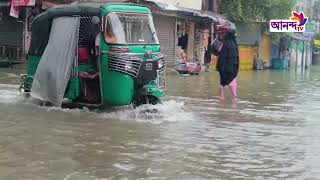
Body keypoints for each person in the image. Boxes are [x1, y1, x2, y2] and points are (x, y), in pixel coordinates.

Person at [216, 23, 239, 101]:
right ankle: (234, 98)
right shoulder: (234, 43)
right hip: (233, 67)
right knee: (232, 82)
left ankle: (222, 97)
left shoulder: (223, 43)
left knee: (222, 82)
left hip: (224, 66)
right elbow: (237, 57)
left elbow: (217, 52)